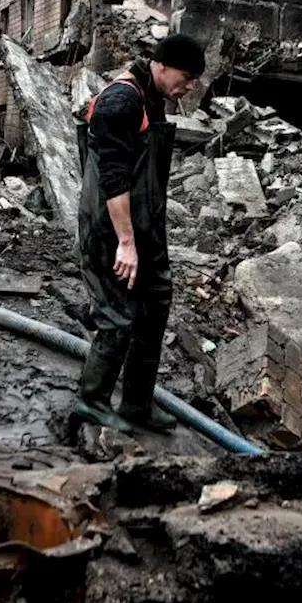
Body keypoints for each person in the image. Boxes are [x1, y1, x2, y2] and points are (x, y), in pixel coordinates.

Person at [74, 34, 205, 433]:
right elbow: (114, 181)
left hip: (145, 226)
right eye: (186, 77)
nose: (189, 87)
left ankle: (137, 404)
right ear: (162, 66)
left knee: (155, 304)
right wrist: (127, 244)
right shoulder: (121, 101)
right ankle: (92, 402)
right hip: (110, 230)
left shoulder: (153, 100)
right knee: (117, 317)